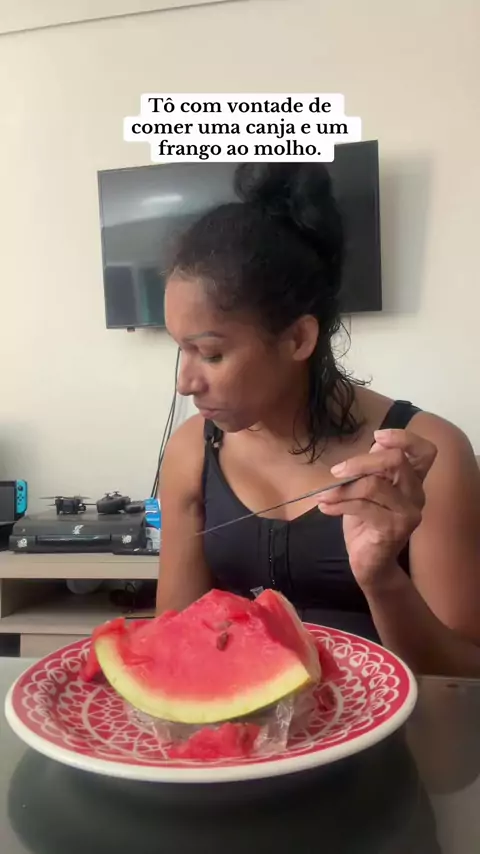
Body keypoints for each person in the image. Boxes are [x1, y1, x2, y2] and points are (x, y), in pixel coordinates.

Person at [156, 162, 480, 677]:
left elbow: (466, 676)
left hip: (398, 723)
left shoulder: (428, 454)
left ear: (298, 339)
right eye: (182, 350)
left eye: (211, 354)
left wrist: (381, 578)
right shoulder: (191, 450)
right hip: (248, 725)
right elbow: (172, 645)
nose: (186, 382)